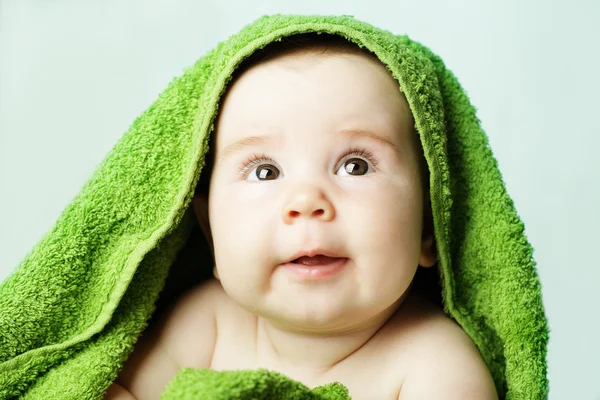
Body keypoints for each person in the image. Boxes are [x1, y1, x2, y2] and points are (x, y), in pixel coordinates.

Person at [104, 33, 498, 399]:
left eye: (355, 165)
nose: (307, 201)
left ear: (428, 229)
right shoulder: (206, 323)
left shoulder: (436, 368)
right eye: (265, 171)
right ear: (210, 235)